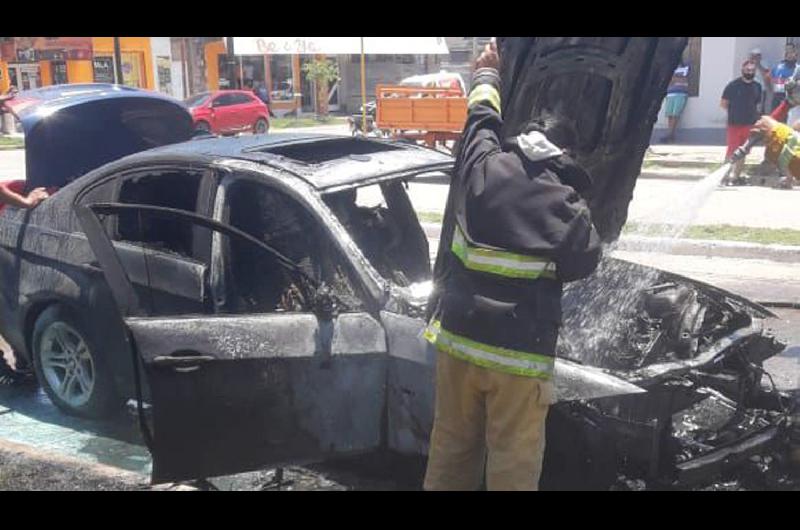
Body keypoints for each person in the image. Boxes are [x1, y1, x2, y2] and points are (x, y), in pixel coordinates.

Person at [423, 41, 602, 491]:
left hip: (458, 344)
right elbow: (585, 261)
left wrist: (487, 75)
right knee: (512, 461)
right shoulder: (568, 208)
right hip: (518, 363)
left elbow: (481, 121)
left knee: (451, 447)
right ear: (563, 156)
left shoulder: (483, 168)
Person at [720, 60, 762, 185]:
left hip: (750, 124)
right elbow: (723, 103)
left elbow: (757, 104)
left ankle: (735, 177)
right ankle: (724, 176)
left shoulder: (757, 86)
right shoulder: (733, 85)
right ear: (742, 70)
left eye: (752, 71)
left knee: (743, 152)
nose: (750, 72)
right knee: (732, 151)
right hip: (734, 124)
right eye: (748, 70)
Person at [661, 59, 691, 143]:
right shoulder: (669, 68)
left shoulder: (685, 67)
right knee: (670, 114)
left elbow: (681, 79)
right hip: (670, 93)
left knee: (675, 114)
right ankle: (670, 133)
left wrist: (675, 79)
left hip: (681, 93)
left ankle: (670, 133)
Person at [749, 48, 771, 113]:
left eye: (757, 56)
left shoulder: (764, 63)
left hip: (761, 88)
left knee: (760, 105)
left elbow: (766, 74)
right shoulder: (749, 63)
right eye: (754, 55)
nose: (755, 57)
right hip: (751, 87)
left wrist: (758, 65)